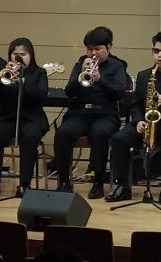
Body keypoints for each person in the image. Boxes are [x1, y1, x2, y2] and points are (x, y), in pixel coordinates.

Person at [107, 30, 161, 204]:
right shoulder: (144, 75)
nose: (159, 55)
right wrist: (138, 120)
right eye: (156, 51)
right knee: (119, 139)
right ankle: (123, 186)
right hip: (145, 123)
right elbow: (135, 104)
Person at [54, 26, 127, 199]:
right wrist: (81, 74)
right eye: (90, 49)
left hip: (105, 114)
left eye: (98, 49)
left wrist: (100, 79)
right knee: (63, 132)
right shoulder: (79, 65)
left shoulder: (117, 66)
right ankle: (63, 181)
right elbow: (69, 92)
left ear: (109, 47)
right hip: (80, 114)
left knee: (99, 133)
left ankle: (98, 182)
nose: (93, 53)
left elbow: (118, 92)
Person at [0, 38, 49, 198]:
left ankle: (25, 184)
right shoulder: (3, 70)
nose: (18, 57)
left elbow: (41, 96)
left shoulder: (39, 73)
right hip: (7, 117)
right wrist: (1, 78)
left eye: (23, 54)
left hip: (31, 118)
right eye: (15, 54)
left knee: (29, 136)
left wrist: (22, 82)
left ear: (31, 56)